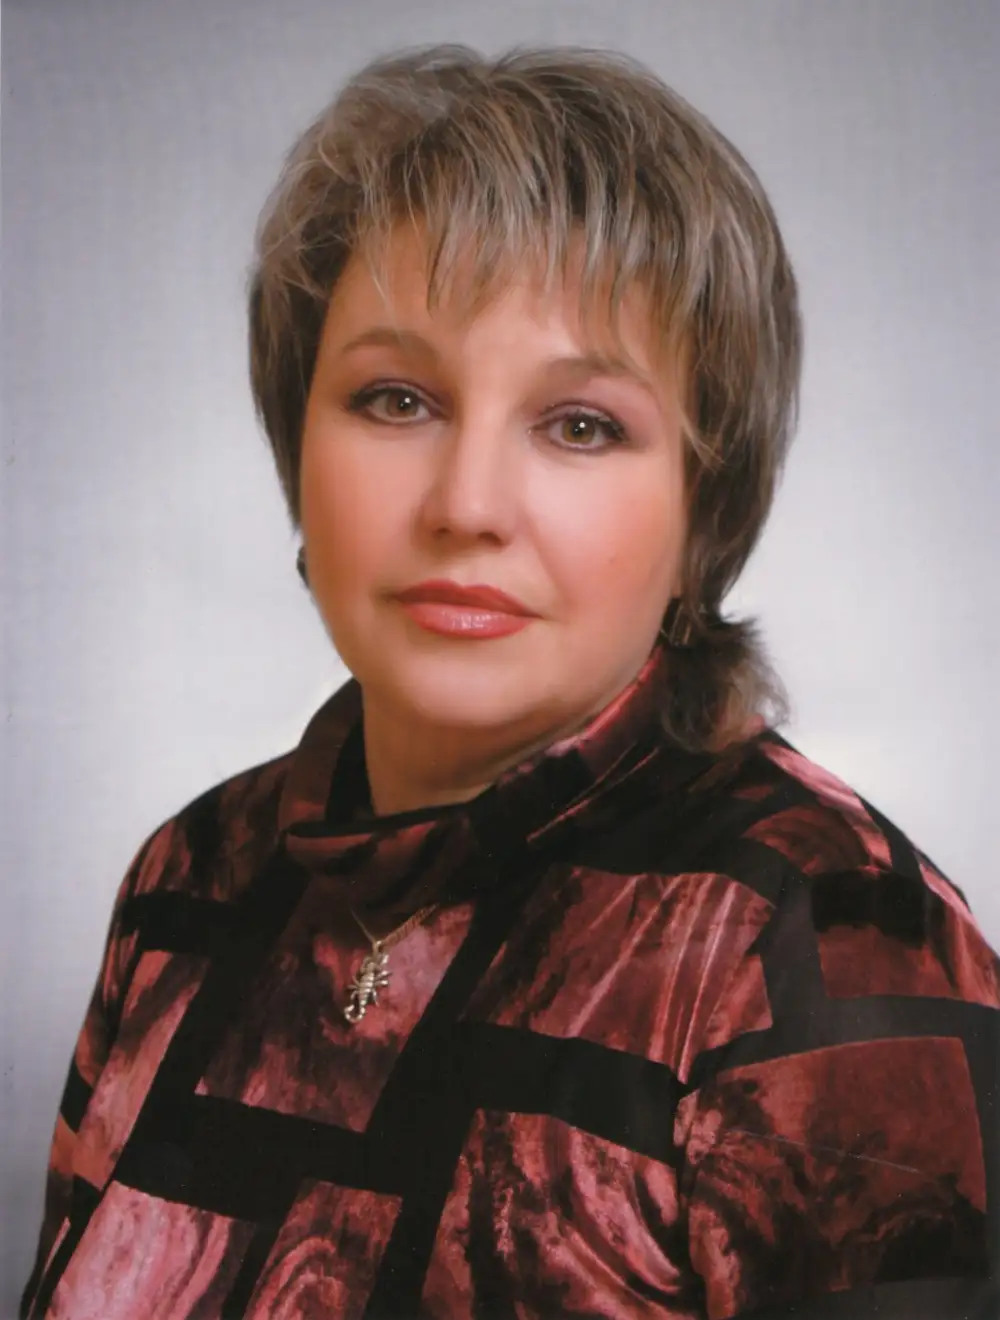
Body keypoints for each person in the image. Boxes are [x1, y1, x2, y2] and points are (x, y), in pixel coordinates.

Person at [20, 43, 999, 1320]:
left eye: (579, 424)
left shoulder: (837, 939)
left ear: (703, 511)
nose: (467, 502)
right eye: (396, 399)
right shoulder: (188, 879)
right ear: (296, 445)